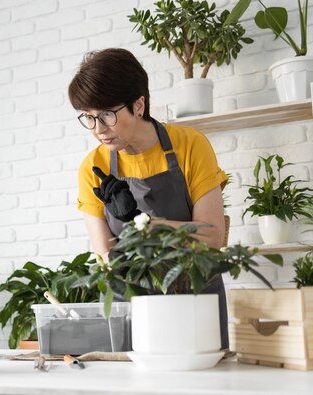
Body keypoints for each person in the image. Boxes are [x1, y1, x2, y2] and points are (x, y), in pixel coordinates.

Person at [68, 48, 230, 349]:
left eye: (107, 114)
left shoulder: (190, 146)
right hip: (132, 306)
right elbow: (105, 254)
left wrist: (143, 226)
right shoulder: (95, 168)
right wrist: (143, 232)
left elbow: (211, 236)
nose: (98, 130)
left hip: (193, 298)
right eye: (88, 118)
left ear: (138, 105)